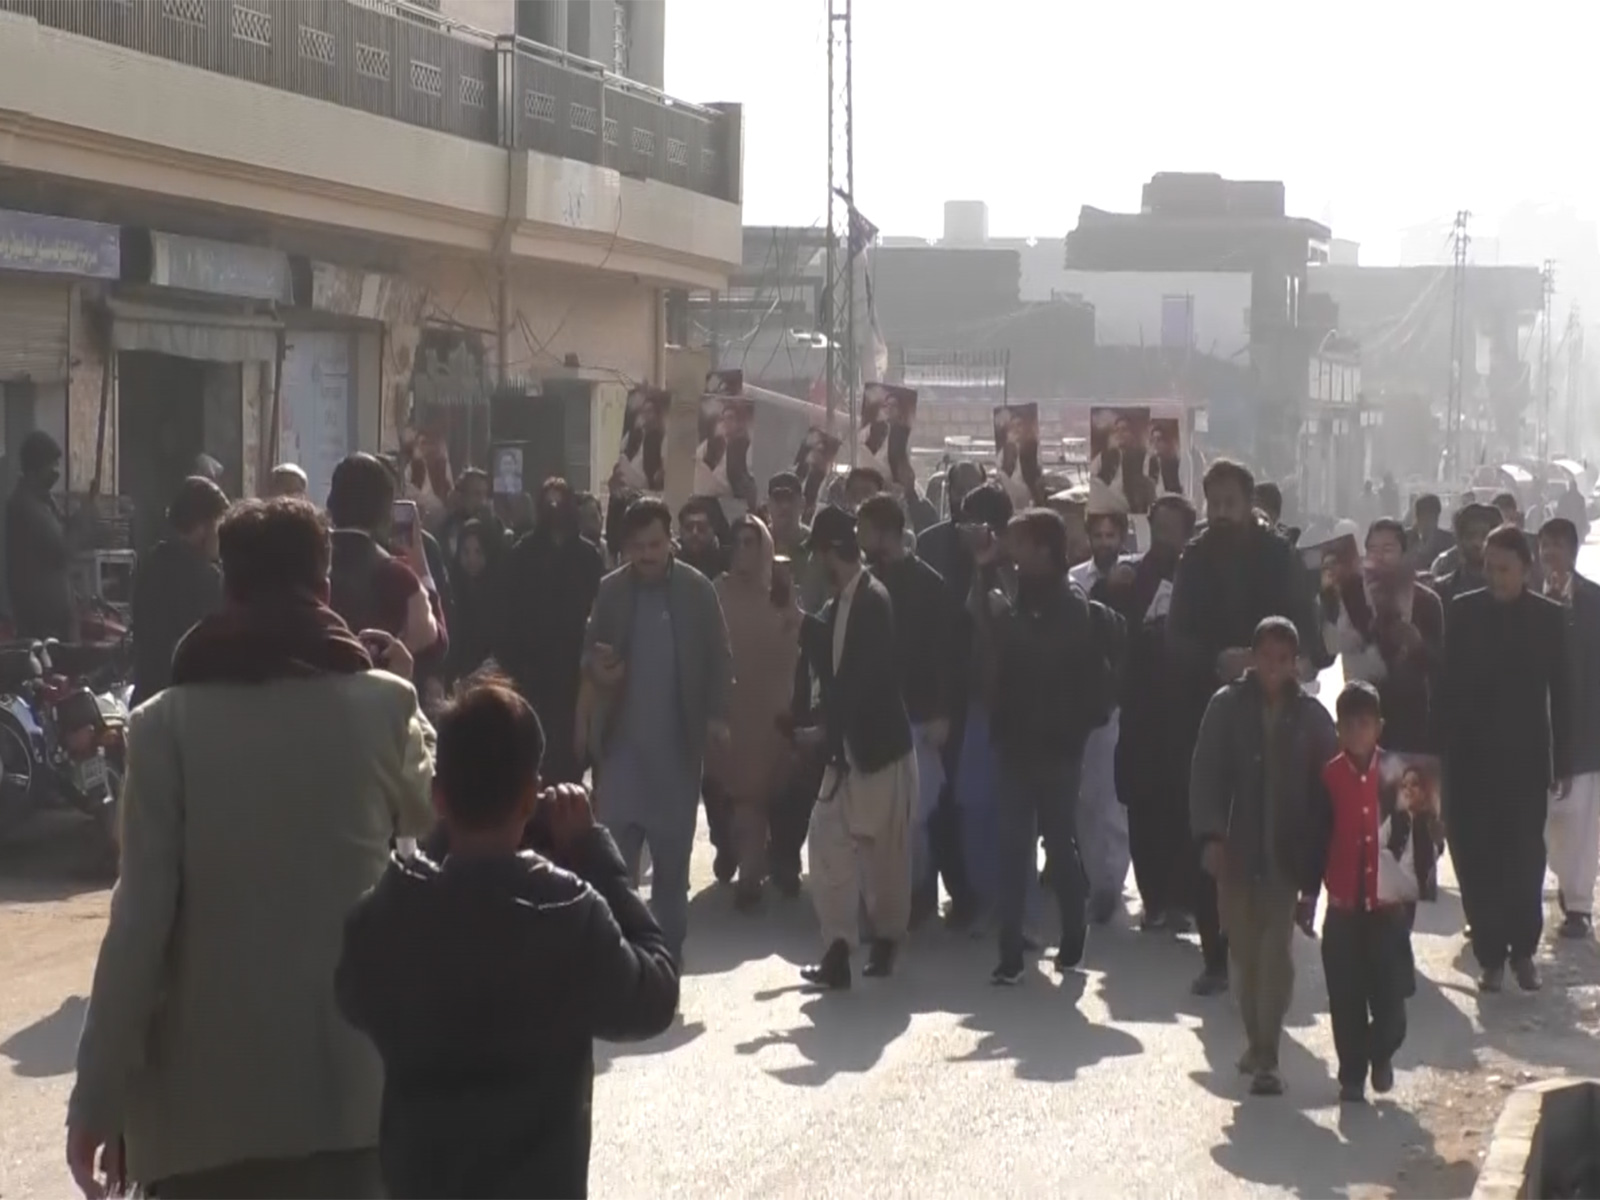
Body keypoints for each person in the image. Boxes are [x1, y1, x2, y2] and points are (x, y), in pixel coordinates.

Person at [65, 497, 435, 1200]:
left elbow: (139, 926)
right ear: (324, 587)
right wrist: (409, 689)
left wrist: (97, 1100)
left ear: (227, 588)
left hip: (202, 1124)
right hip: (354, 1104)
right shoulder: (385, 705)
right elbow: (426, 810)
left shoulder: (162, 726)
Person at [334, 682, 678, 1199]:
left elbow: (352, 994)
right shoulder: (568, 913)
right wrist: (594, 850)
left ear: (438, 796)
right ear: (528, 796)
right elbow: (655, 993)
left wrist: (440, 839)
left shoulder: (396, 913)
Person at [1167, 459, 1324, 996]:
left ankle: (1269, 938)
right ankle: (1215, 954)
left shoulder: (1277, 556)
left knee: (1274, 825)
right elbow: (1176, 634)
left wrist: (1273, 663)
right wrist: (1217, 659)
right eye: (1214, 503)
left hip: (1274, 704)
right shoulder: (1195, 557)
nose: (1222, 513)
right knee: (1213, 826)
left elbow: (1307, 625)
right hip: (1207, 707)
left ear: (1249, 502)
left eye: (1231, 503)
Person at [975, 508, 1123, 984]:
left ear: (1043, 549)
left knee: (1059, 841)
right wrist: (983, 575)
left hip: (1058, 745)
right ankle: (1011, 950)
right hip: (1016, 740)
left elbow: (1042, 656)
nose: (1013, 555)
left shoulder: (1069, 602)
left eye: (1019, 545)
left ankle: (1073, 933)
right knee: (1012, 845)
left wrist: (1007, 619)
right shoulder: (1017, 595)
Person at [582, 497, 732, 965]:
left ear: (671, 542)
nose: (648, 555)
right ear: (625, 548)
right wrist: (596, 664)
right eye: (639, 547)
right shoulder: (611, 591)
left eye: (656, 544)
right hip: (622, 753)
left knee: (671, 868)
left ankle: (667, 957)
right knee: (616, 867)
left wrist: (717, 715)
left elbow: (719, 657)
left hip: (676, 753)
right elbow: (587, 652)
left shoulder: (697, 590)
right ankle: (622, 958)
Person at [1189, 617, 1335, 1096]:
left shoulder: (1312, 717)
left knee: (1276, 954)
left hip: (1286, 857)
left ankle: (1269, 1053)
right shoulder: (1226, 707)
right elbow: (1206, 774)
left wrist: (1324, 851)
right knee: (1245, 952)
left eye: (1283, 661)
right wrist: (1211, 835)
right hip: (1236, 850)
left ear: (1296, 664)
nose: (1274, 669)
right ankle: (1255, 1040)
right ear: (1252, 659)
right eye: (1266, 659)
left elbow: (1329, 785)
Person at [1442, 524, 1572, 992]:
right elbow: (1447, 687)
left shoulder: (1548, 618)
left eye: (1504, 569)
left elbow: (1561, 695)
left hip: (1525, 762)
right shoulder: (1462, 612)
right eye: (1489, 568)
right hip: (1471, 759)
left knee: (1524, 859)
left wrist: (1563, 762)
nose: (1495, 578)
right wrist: (1443, 757)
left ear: (1525, 569)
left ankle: (1523, 951)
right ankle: (1490, 956)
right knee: (1477, 859)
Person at [793, 505, 917, 989]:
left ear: (829, 553)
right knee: (827, 851)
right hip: (844, 757)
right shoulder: (842, 601)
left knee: (885, 858)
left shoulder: (872, 601)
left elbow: (861, 680)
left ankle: (886, 941)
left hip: (878, 752)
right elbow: (833, 656)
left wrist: (823, 731)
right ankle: (838, 949)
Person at [1311, 682, 1429, 1104]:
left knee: (1392, 1001)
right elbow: (1314, 839)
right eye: (1349, 725)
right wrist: (1308, 897)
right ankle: (1351, 1077)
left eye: (1366, 724)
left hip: (1387, 910)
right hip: (1343, 909)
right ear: (1339, 730)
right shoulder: (1327, 778)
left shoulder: (1400, 775)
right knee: (1345, 1000)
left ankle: (1382, 1054)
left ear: (1378, 728)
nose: (1358, 733)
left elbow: (1421, 840)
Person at [1102, 494, 1197, 931]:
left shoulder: (1198, 575)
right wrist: (1112, 587)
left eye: (1173, 528)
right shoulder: (1131, 574)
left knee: (1182, 805)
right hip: (1140, 706)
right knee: (1142, 803)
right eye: (1158, 526)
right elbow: (1107, 627)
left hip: (1187, 708)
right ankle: (1154, 897)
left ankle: (1183, 898)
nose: (1164, 536)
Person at [856, 493, 950, 926]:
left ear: (884, 532)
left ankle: (919, 898)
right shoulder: (862, 583)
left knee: (915, 818)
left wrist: (941, 713)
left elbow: (946, 657)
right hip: (872, 720)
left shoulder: (929, 585)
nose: (859, 537)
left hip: (918, 720)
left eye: (864, 528)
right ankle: (881, 904)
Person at [708, 514, 800, 911]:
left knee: (756, 794)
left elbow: (796, 640)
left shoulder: (780, 591)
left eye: (752, 542)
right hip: (730, 707)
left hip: (769, 705)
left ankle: (751, 876)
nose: (744, 550)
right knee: (730, 791)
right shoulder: (717, 591)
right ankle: (738, 853)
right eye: (739, 542)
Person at [494, 478, 604, 785]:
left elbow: (600, 611)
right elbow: (507, 610)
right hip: (531, 668)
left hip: (573, 669)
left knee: (571, 753)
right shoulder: (522, 553)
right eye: (549, 501)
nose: (555, 507)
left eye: (560, 501)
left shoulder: (588, 556)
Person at [1320, 519, 1444, 755]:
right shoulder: (1351, 596)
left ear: (1403, 553)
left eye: (1388, 550)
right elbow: (1329, 647)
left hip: (1411, 719)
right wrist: (1328, 601)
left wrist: (1416, 644)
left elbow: (1438, 663)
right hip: (1360, 718)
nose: (1379, 557)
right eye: (1373, 550)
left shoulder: (1426, 601)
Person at [1069, 509, 1134, 925]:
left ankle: (1111, 882)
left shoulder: (1133, 577)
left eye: (1112, 535)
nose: (1105, 542)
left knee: (1110, 800)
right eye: (1099, 534)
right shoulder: (1076, 580)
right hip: (1076, 706)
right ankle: (1095, 881)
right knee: (1084, 801)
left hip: (1115, 704)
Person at [1537, 517, 1600, 941]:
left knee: (1580, 823)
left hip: (1582, 729)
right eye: (1545, 546)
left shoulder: (1594, 601)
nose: (1551, 554)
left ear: (1574, 551)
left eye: (1559, 546)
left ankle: (1577, 904)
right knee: (1538, 823)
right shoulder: (1522, 599)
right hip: (1534, 732)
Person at [325, 453, 440, 656]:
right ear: (385, 512)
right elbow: (433, 642)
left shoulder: (304, 563)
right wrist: (421, 567)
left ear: (331, 503)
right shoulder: (398, 576)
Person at [129, 477, 228, 706]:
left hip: (147, 698)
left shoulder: (150, 563)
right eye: (219, 525)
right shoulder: (207, 578)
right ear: (203, 526)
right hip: (187, 704)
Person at [5, 430, 75, 640]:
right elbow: (60, 548)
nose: (56, 472)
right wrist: (85, 523)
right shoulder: (25, 506)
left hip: (53, 621)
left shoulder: (43, 502)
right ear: (35, 469)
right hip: (41, 625)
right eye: (51, 465)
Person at [445, 518, 501, 685]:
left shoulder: (497, 592)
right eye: (466, 552)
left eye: (478, 552)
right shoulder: (451, 589)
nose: (471, 560)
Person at [766, 471, 828, 613]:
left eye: (790, 499)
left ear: (802, 503)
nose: (784, 506)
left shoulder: (817, 546)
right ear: (768, 504)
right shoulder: (756, 542)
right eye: (778, 499)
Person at [1429, 501, 1497, 605]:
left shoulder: (1508, 589)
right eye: (1470, 535)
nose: (1477, 543)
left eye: (1484, 536)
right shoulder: (1442, 589)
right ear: (1459, 540)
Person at [676, 495, 728, 581]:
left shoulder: (726, 564)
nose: (694, 533)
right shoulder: (671, 564)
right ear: (681, 531)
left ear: (713, 530)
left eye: (701, 528)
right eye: (689, 527)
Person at [1407, 493, 1454, 573]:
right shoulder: (1404, 539)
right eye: (1423, 515)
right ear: (1417, 516)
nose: (1427, 521)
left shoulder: (1449, 541)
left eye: (1431, 516)